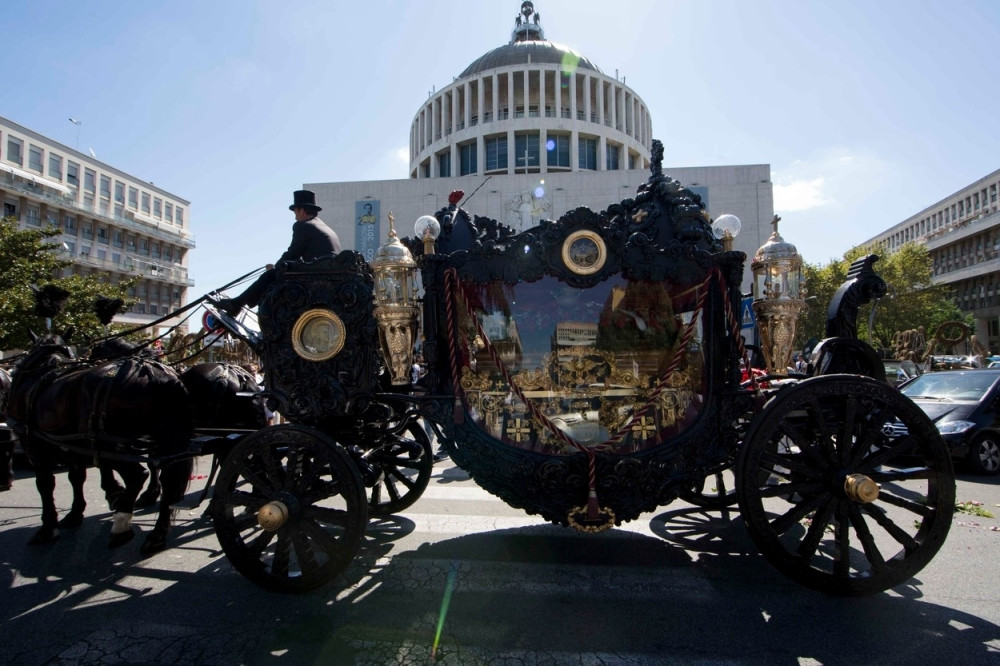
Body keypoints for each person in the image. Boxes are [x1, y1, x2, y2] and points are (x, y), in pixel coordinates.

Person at [212, 190, 341, 316]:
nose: (295, 216)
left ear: (302, 210)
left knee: (269, 276)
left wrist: (276, 268)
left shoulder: (303, 226)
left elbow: (292, 254)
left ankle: (237, 304)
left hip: (313, 277)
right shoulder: (324, 227)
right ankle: (239, 303)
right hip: (326, 274)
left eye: (295, 212)